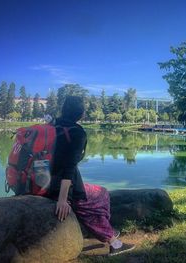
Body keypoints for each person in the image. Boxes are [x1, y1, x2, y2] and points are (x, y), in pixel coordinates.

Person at [48, 95, 135, 255]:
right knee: (97, 198)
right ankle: (113, 242)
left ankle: (107, 232)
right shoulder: (76, 132)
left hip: (42, 181)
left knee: (98, 192)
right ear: (80, 113)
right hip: (61, 186)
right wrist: (62, 199)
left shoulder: (52, 125)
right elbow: (69, 167)